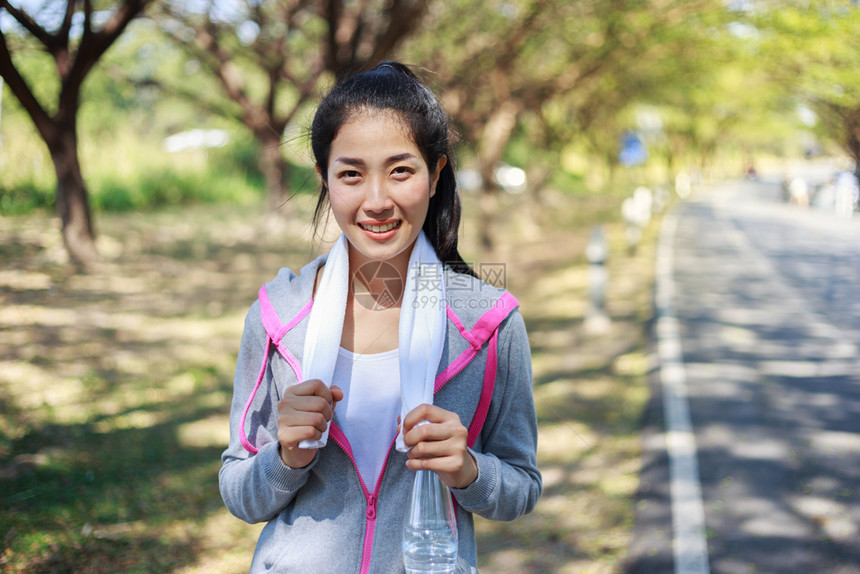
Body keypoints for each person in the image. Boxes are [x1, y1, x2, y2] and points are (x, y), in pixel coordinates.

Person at [219, 61, 542, 573]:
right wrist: (285, 459)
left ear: (435, 175)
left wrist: (468, 470)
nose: (376, 201)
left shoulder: (489, 324)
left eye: (400, 170)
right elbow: (240, 493)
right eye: (351, 173)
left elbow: (522, 487)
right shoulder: (278, 317)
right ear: (324, 177)